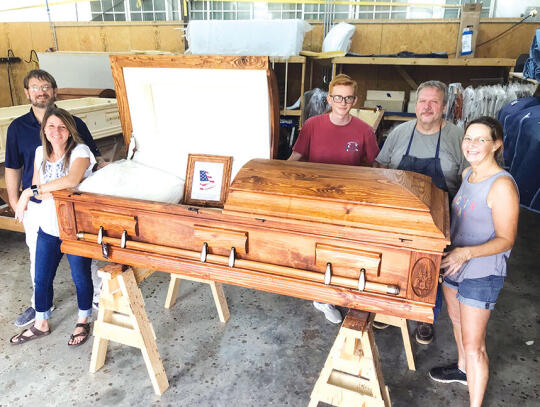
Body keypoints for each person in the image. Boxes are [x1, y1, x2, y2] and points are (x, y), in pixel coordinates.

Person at [429, 116, 519, 407]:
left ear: (496, 144)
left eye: (481, 139)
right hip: (454, 266)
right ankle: (462, 370)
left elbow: (506, 239)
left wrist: (465, 253)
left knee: (474, 344)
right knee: (457, 325)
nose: (472, 144)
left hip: (480, 273)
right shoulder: (469, 174)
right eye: (468, 138)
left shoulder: (501, 185)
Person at [5, 69, 103, 327]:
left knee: (83, 261)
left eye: (46, 86)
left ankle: (96, 300)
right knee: (38, 261)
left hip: (71, 208)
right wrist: (16, 200)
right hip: (37, 207)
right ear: (27, 93)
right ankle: (40, 307)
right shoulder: (17, 128)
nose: (41, 91)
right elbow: (13, 167)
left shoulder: (75, 123)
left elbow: (89, 160)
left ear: (54, 91)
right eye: (35, 87)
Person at [374, 80, 466, 344]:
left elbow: (469, 179)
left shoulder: (458, 137)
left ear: (444, 107)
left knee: (430, 272)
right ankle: (387, 309)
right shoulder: (400, 132)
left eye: (433, 102)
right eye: (422, 101)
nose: (427, 107)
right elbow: (379, 165)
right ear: (416, 105)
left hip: (437, 220)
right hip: (398, 215)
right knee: (391, 264)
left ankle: (425, 319)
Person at [289, 73, 380, 323]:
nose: (343, 102)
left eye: (348, 98)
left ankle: (342, 294)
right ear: (329, 98)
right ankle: (322, 297)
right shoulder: (312, 125)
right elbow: (296, 158)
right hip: (316, 200)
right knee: (316, 251)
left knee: (344, 253)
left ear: (355, 100)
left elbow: (372, 167)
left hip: (349, 204)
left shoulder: (364, 131)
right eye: (338, 97)